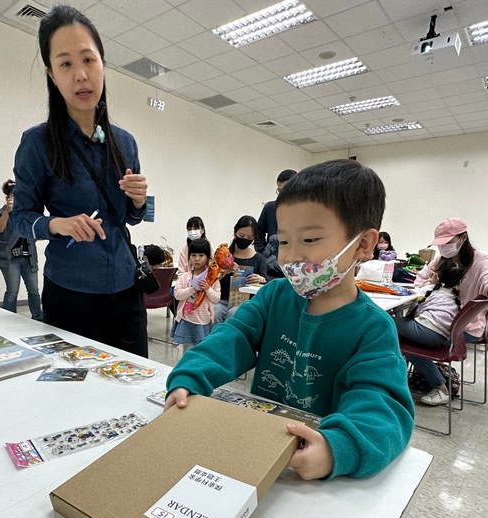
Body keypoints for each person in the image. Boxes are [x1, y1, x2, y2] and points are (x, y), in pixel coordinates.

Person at [165, 159, 414, 481]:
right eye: (283, 241)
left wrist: (338, 447)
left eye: (309, 240)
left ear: (363, 245)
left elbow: (383, 407)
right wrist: (189, 377)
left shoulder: (374, 328)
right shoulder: (274, 296)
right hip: (258, 447)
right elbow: (232, 338)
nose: (290, 256)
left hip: (316, 468)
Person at [10, 4, 149, 356]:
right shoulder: (37, 143)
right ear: (51, 74)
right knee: (75, 395)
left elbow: (131, 219)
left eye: (88, 60)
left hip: (126, 288)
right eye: (66, 64)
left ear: (103, 64)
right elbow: (20, 218)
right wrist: (58, 224)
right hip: (70, 294)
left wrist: (138, 200)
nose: (81, 76)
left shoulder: (125, 142)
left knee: (136, 388)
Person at [411, 218, 488, 404]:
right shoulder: (441, 259)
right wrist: (432, 282)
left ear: (463, 238)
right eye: (441, 244)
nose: (444, 248)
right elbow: (420, 280)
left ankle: (440, 388)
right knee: (405, 334)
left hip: (463, 328)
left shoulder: (481, 261)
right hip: (438, 319)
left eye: (448, 243)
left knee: (403, 340)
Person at [395, 257, 466, 406]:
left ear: (437, 276)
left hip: (425, 330)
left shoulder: (433, 290)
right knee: (408, 346)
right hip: (440, 336)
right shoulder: (454, 294)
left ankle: (394, 377)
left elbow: (416, 312)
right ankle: (438, 388)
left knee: (384, 321)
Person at [0, 179, 43, 321]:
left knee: (34, 291)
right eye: (13, 195)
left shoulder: (26, 213)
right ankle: (9, 320)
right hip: (10, 259)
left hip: (29, 258)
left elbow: (35, 233)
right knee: (12, 291)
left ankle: (38, 319)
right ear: (7, 197)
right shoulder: (0, 212)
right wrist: (8, 211)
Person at [213, 215, 267, 325]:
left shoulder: (259, 259)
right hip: (221, 300)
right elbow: (210, 279)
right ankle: (214, 341)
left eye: (249, 238)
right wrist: (224, 272)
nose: (245, 240)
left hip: (245, 302)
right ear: (235, 232)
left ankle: (228, 341)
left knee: (233, 314)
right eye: (242, 235)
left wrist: (261, 279)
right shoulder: (224, 254)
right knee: (214, 312)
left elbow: (266, 283)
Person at [171, 237, 220, 351]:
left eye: (201, 255)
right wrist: (193, 288)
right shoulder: (185, 277)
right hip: (186, 320)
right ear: (189, 257)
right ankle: (187, 368)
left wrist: (208, 289)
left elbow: (216, 299)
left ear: (208, 258)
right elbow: (177, 294)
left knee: (201, 350)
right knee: (187, 350)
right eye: (193, 255)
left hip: (203, 321)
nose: (197, 259)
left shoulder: (212, 279)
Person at [255, 168, 297, 255]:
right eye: (279, 190)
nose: (282, 194)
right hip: (271, 264)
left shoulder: (307, 210)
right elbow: (258, 233)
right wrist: (262, 253)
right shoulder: (269, 207)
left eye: (285, 190)